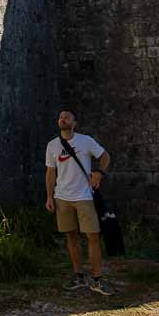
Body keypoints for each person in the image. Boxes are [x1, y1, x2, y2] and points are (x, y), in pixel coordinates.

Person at [45, 109, 113, 295]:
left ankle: (97, 279)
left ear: (74, 123)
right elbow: (50, 173)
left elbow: (105, 157)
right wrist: (50, 197)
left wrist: (99, 173)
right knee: (71, 237)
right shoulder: (52, 145)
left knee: (93, 237)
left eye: (67, 117)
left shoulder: (86, 141)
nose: (62, 119)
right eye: (60, 116)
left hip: (84, 197)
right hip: (62, 198)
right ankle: (79, 277)